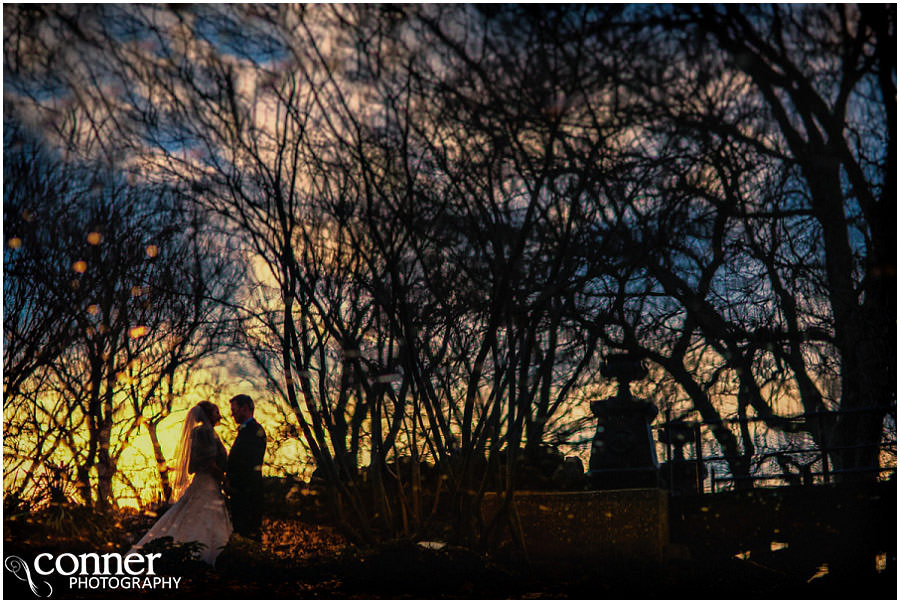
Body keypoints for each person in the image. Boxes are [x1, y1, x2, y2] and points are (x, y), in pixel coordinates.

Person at [131, 401, 233, 565]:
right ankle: (199, 559)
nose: (219, 415)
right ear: (207, 415)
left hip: (207, 483)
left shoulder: (202, 432)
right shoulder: (205, 432)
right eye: (216, 412)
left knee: (189, 517)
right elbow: (209, 462)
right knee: (203, 519)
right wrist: (224, 478)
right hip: (207, 483)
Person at [226, 394, 266, 540]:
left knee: (248, 533)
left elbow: (248, 462)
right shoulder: (246, 430)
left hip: (248, 492)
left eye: (234, 409)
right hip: (242, 491)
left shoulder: (254, 430)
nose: (232, 414)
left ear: (244, 408)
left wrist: (233, 481)